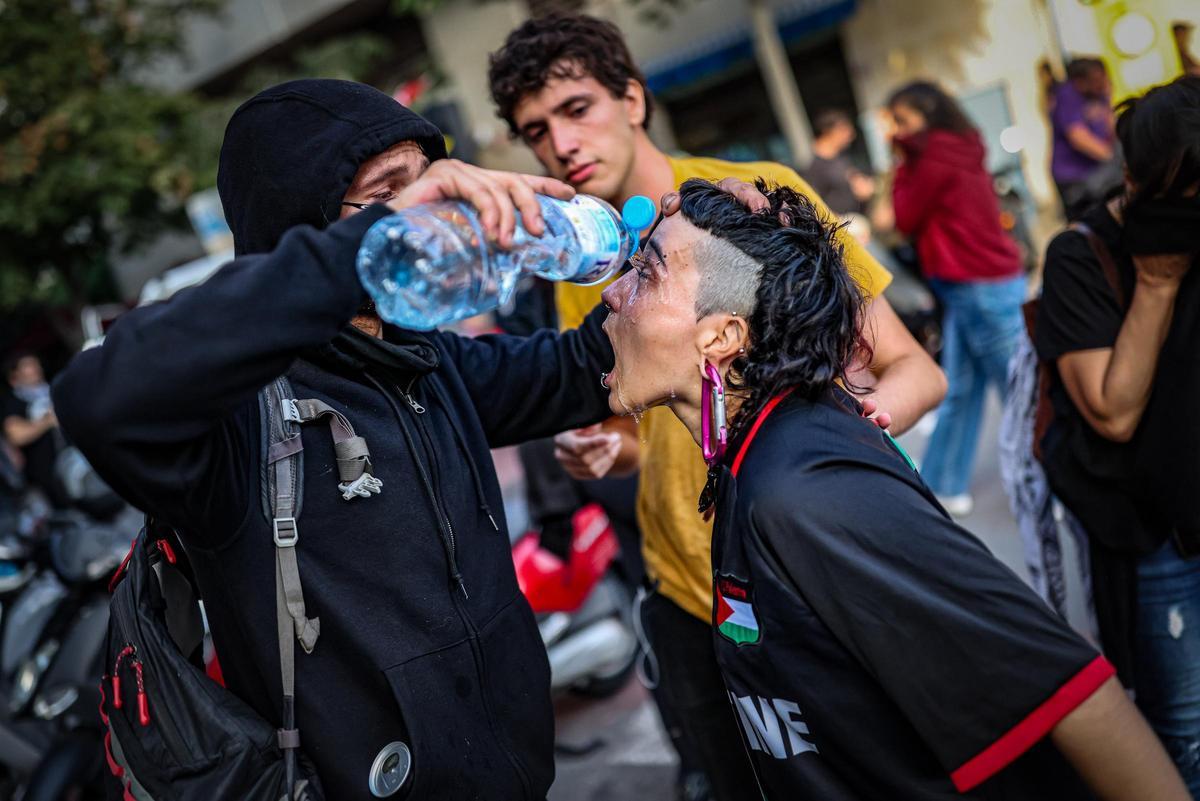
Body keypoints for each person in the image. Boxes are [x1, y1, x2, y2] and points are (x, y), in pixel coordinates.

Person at [51, 79, 618, 800]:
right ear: (312, 228)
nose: (435, 212)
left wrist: (676, 243)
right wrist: (363, 250)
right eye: (391, 195)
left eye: (434, 184)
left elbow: (578, 368)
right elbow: (100, 398)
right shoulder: (240, 421)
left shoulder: (426, 359)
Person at [596, 175, 1191, 800]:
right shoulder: (756, 461)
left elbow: (1071, 690)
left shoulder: (805, 493)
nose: (612, 294)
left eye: (646, 272)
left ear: (721, 336)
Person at [487, 15, 946, 800]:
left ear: (633, 98)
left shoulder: (750, 202)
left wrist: (836, 457)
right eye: (536, 130)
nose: (561, 142)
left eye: (577, 108)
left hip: (807, 577)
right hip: (685, 593)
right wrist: (608, 452)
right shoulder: (588, 261)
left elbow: (911, 370)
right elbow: (651, 433)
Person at [1035, 74, 1200, 795]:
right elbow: (1113, 409)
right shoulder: (1083, 255)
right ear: (1134, 181)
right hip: (1156, 534)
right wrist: (1159, 283)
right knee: (1187, 734)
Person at [888, 81, 1026, 517]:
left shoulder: (928, 157)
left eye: (902, 120)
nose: (896, 129)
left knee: (1020, 391)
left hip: (974, 282)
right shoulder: (963, 145)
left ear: (925, 116)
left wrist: (902, 159)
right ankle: (943, 487)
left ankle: (1059, 484)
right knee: (963, 388)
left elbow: (904, 215)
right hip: (984, 280)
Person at [1051, 58, 1119, 221]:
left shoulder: (1097, 93)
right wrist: (1111, 157)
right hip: (1074, 177)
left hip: (1097, 172)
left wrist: (1108, 97)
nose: (1100, 84)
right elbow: (1077, 136)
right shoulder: (1068, 95)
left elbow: (1111, 127)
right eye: (1096, 80)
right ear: (1079, 82)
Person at [3, 352, 67, 509]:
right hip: (47, 476)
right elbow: (16, 435)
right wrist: (47, 421)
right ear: (15, 375)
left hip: (74, 464)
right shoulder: (13, 402)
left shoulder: (54, 389)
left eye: (35, 364)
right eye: (28, 365)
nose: (36, 369)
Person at [802, 108, 875, 216]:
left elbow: (852, 179)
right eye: (844, 129)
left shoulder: (841, 157)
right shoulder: (815, 166)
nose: (851, 134)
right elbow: (814, 205)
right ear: (827, 131)